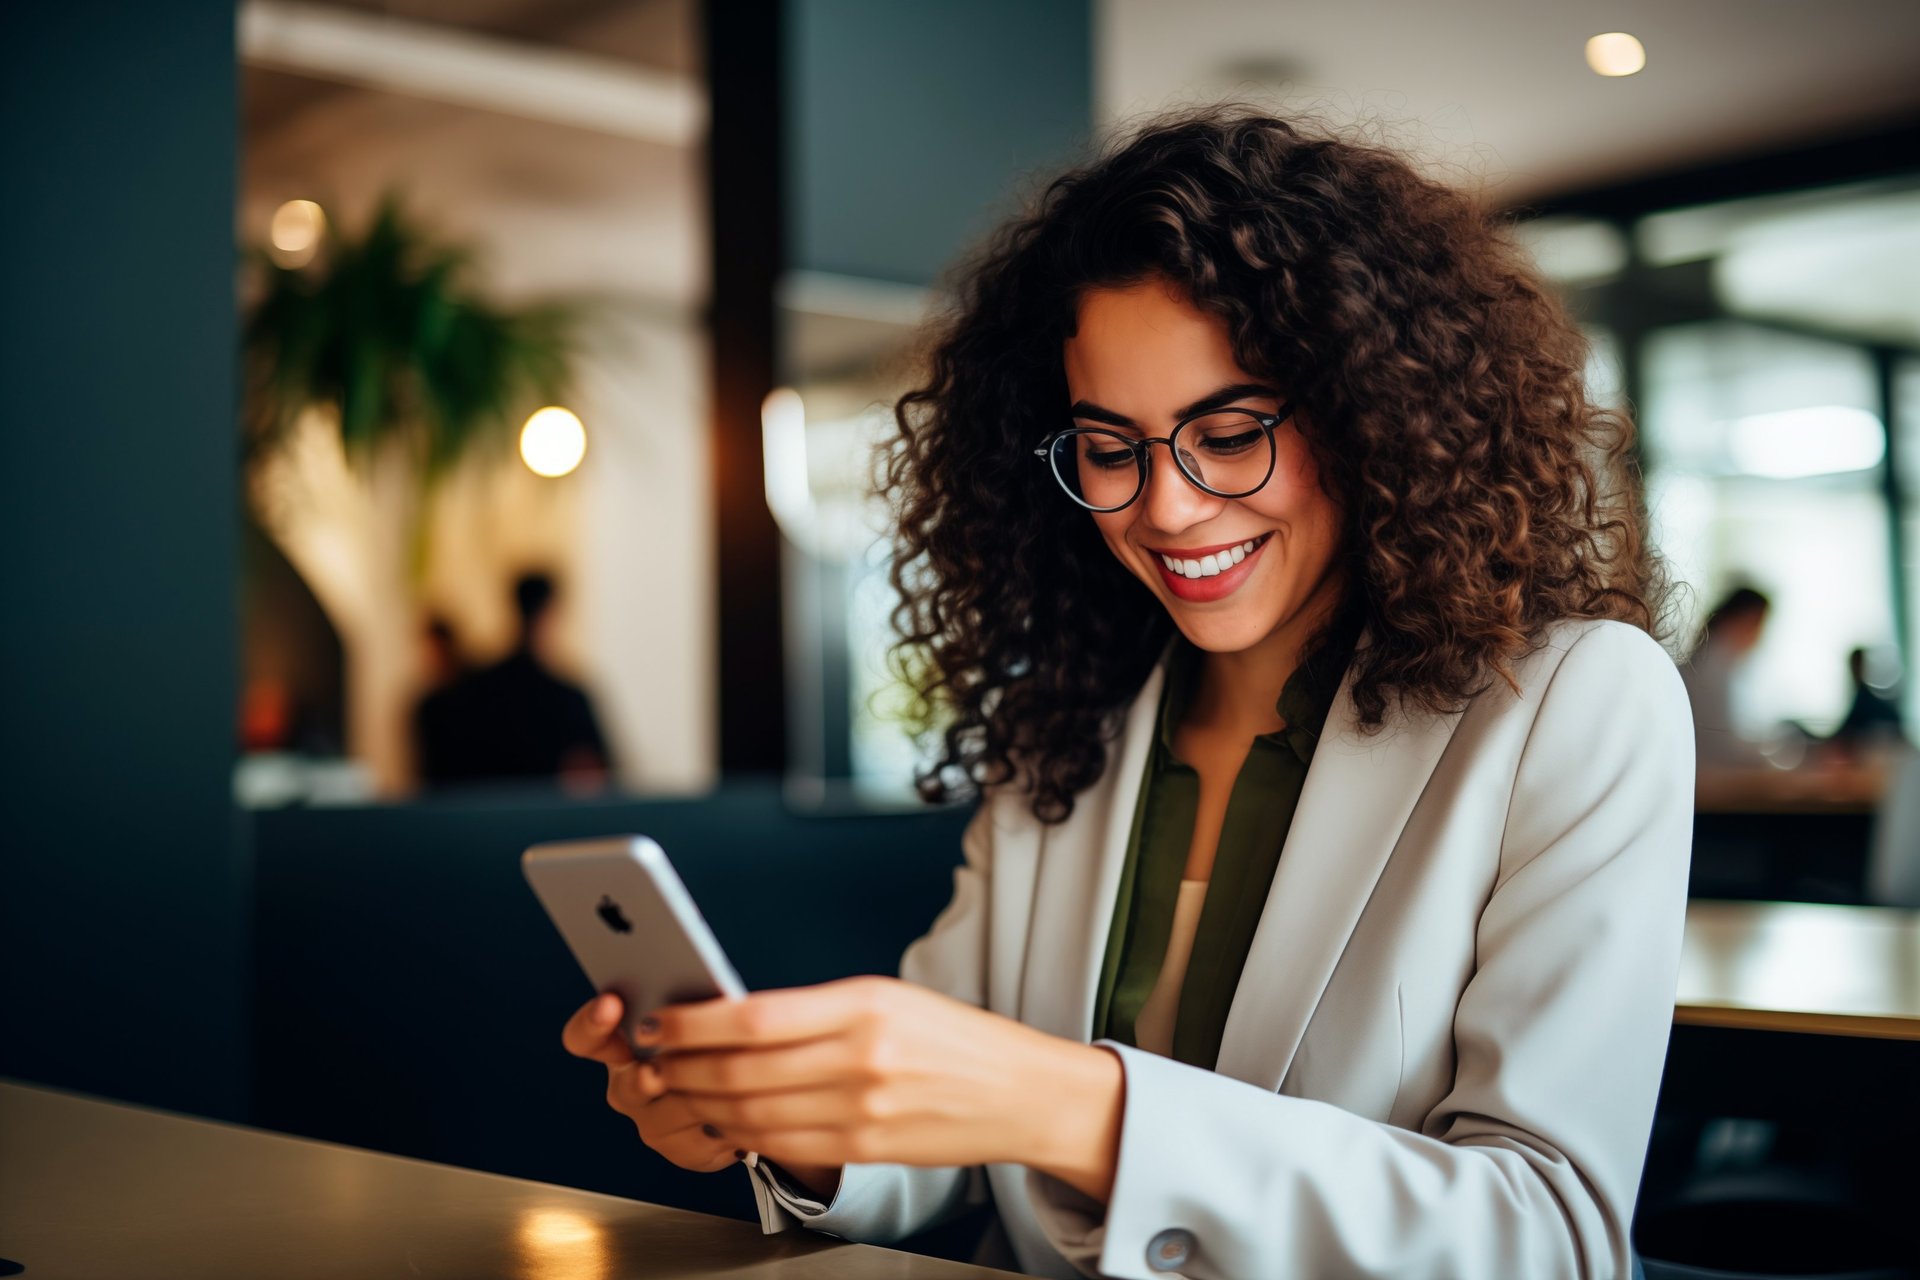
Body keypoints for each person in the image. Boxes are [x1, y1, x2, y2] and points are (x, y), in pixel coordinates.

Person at [560, 105, 1692, 1279]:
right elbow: (947, 1135)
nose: (1167, 506)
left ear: (1373, 418)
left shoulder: (1575, 703)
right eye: (1112, 446)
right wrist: (797, 1133)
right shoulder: (1067, 725)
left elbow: (1548, 1238)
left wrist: (1075, 1106)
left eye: (1230, 429)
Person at [414, 572, 612, 790]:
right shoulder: (569, 700)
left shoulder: (466, 694)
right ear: (549, 614)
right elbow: (604, 778)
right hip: (551, 822)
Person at [1678, 585, 1772, 768]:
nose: (1759, 637)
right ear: (1743, 619)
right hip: (1709, 779)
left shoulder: (1720, 663)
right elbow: (1725, 744)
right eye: (1758, 625)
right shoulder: (1713, 667)